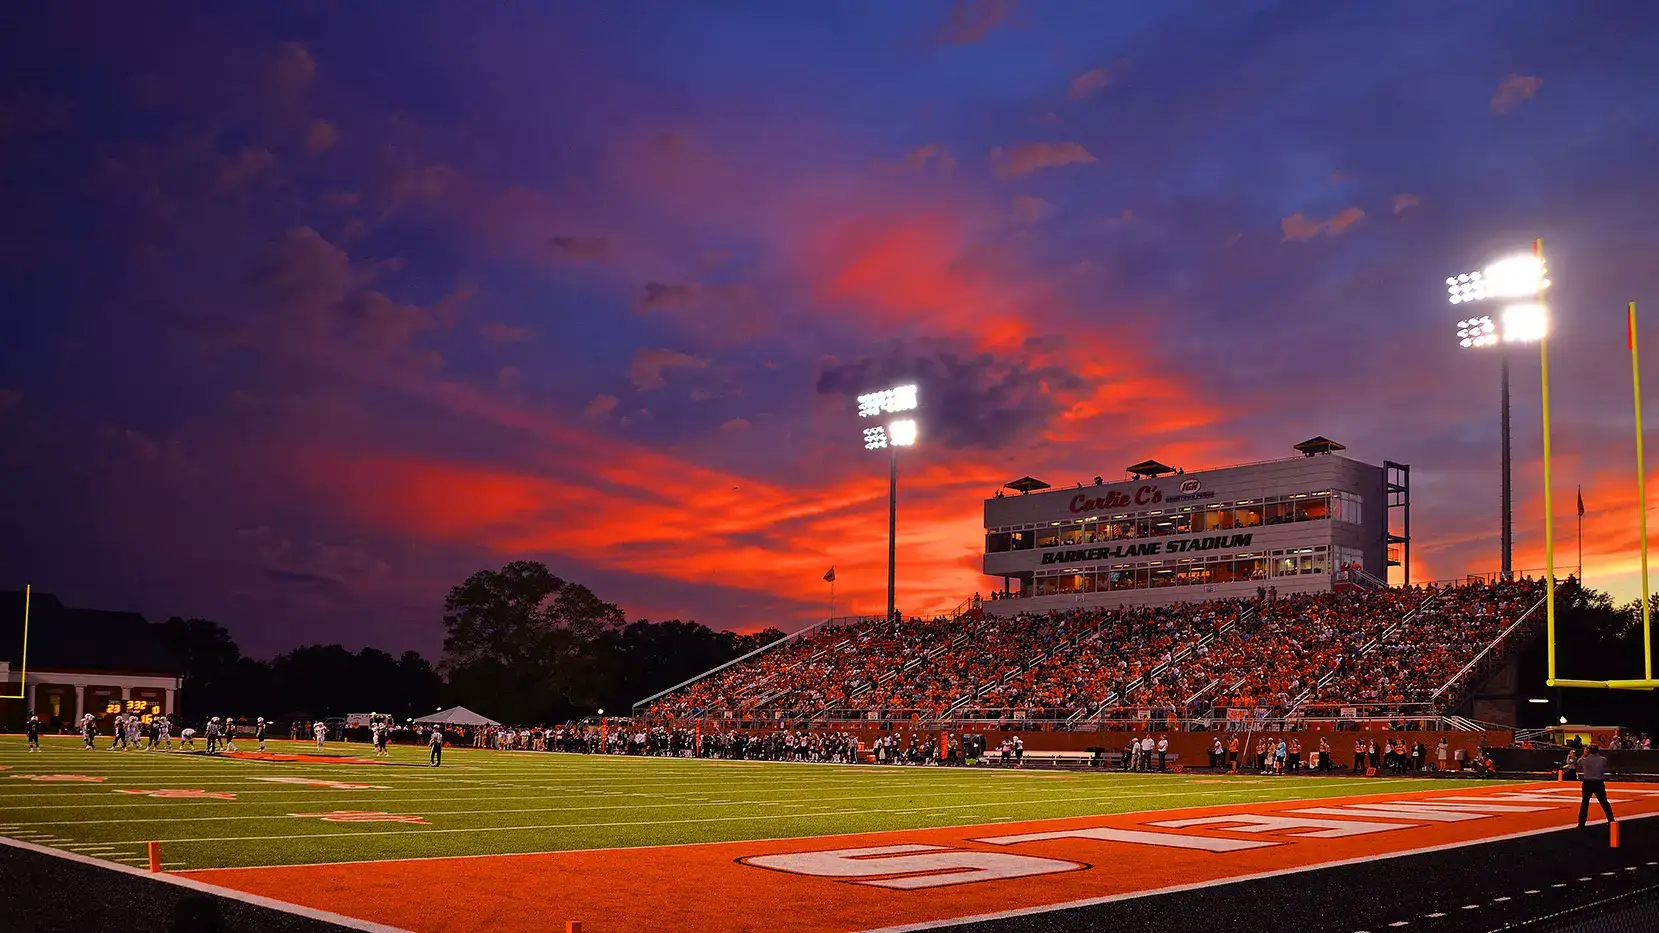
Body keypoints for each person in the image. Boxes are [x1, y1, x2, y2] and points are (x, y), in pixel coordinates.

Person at [1577, 745, 1615, 829]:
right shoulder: (1603, 759)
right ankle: (1611, 820)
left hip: (1587, 783)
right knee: (1604, 802)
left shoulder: (1585, 760)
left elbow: (1578, 762)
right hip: (1598, 782)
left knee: (1585, 803)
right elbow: (1605, 762)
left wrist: (1584, 754)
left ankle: (1581, 823)